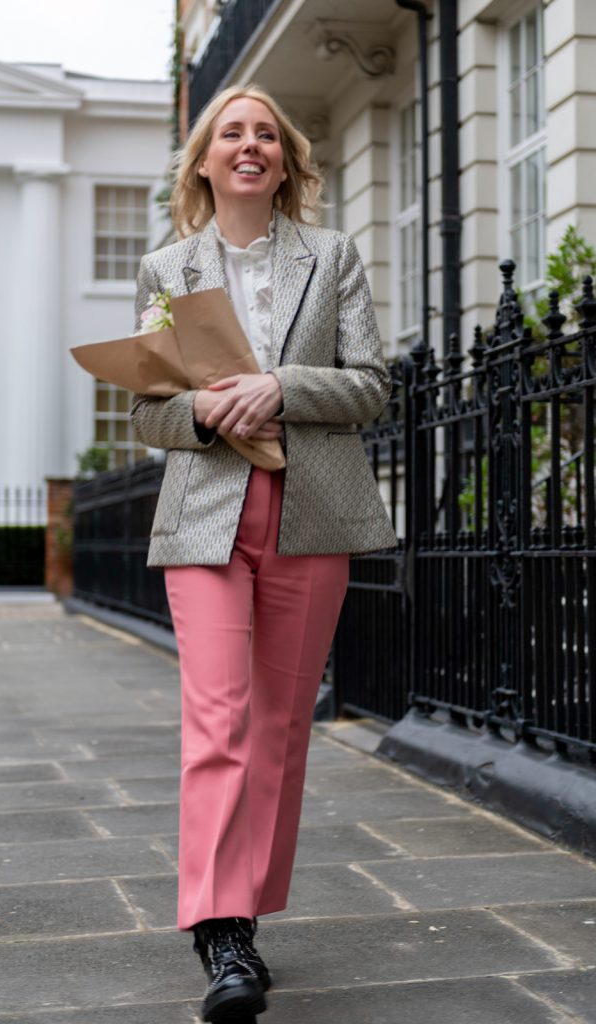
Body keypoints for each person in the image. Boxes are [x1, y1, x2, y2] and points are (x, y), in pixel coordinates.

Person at [130, 84, 397, 1022]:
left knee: (281, 728)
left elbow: (371, 384)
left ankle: (247, 910)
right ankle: (220, 929)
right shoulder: (168, 267)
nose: (250, 145)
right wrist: (202, 406)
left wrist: (278, 385)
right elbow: (149, 409)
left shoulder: (332, 257)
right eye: (231, 133)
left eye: (267, 135)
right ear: (204, 161)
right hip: (206, 521)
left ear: (285, 161)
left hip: (309, 515)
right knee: (219, 719)